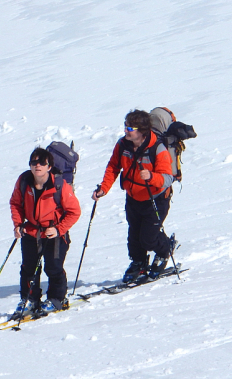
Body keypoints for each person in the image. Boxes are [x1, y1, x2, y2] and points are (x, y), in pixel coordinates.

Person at [92, 109, 175, 283]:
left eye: (130, 128)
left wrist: (152, 177)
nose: (126, 131)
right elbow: (114, 166)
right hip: (133, 197)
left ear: (142, 131)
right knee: (134, 235)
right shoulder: (123, 145)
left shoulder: (158, 149)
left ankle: (164, 250)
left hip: (156, 199)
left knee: (148, 238)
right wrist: (104, 188)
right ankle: (139, 262)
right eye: (126, 126)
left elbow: (168, 178)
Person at [9, 147, 81, 317]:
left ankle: (57, 299)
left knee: (53, 268)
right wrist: (18, 224)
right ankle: (29, 299)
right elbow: (15, 203)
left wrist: (58, 229)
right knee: (28, 268)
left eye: (42, 163)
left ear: (49, 166)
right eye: (34, 163)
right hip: (31, 231)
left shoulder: (59, 185)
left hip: (54, 233)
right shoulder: (24, 181)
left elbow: (74, 211)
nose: (38, 166)